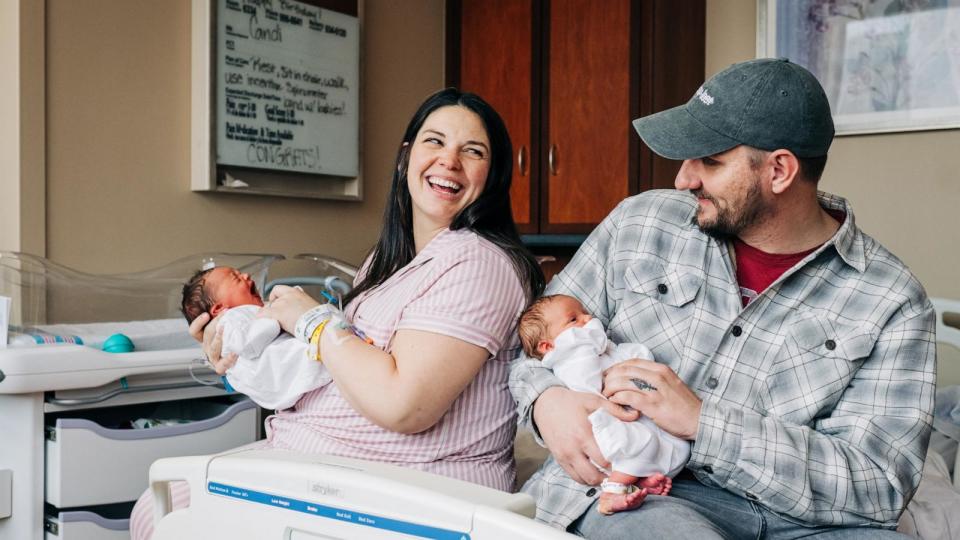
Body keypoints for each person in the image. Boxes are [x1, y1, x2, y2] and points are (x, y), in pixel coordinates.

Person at [510, 58, 935, 539]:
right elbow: (530, 342)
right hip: (639, 496)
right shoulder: (640, 224)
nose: (684, 179)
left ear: (779, 170)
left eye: (709, 160)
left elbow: (877, 484)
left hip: (800, 523)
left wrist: (705, 423)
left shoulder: (891, 299)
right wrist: (545, 400)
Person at [130, 88, 545, 539]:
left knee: (170, 515)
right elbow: (330, 374)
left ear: (495, 173)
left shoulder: (479, 262)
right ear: (406, 157)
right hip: (325, 469)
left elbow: (404, 405)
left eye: (473, 150)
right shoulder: (387, 262)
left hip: (408, 488)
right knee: (161, 508)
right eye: (435, 141)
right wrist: (240, 358)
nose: (449, 160)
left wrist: (312, 320)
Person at [517, 294, 689, 515]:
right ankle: (612, 492)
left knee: (671, 444)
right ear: (547, 345)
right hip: (599, 422)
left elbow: (623, 356)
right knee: (639, 444)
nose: (588, 318)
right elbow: (589, 383)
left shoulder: (596, 347)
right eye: (573, 319)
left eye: (585, 313)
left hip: (625, 416)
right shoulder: (572, 356)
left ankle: (637, 482)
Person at [180, 266, 331, 410]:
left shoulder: (245, 316)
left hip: (291, 386)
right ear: (219, 308)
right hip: (294, 373)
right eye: (236, 278)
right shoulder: (230, 318)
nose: (246, 276)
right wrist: (272, 317)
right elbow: (247, 345)